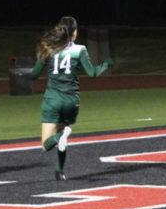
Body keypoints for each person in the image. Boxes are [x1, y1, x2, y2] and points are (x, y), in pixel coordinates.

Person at [30, 16, 112, 180]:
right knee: (61, 135)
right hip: (71, 101)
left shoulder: (50, 48)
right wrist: (107, 63)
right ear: (74, 33)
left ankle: (61, 138)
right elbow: (93, 73)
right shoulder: (80, 49)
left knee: (47, 144)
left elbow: (34, 75)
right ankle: (60, 171)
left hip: (53, 100)